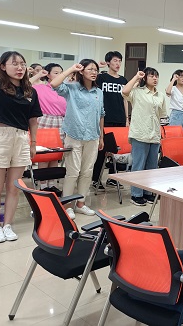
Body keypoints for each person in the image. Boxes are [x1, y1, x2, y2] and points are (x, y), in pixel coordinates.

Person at [0, 52, 42, 243]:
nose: (20, 68)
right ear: (3, 67)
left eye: (22, 64)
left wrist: (33, 143)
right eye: (14, 64)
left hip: (21, 138)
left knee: (14, 187)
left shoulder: (30, 91)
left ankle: (7, 225)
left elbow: (33, 119)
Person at [51, 60, 104, 220]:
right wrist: (71, 69)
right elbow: (54, 84)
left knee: (87, 172)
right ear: (82, 71)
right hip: (74, 135)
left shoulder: (98, 92)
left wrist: (101, 136)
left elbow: (101, 114)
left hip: (93, 136)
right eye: (90, 69)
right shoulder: (71, 88)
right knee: (73, 172)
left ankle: (81, 204)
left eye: (96, 70)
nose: (94, 72)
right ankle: (67, 205)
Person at [123, 68, 167, 206]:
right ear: (145, 78)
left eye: (156, 76)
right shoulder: (137, 92)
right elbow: (125, 91)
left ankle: (148, 192)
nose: (155, 78)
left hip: (154, 135)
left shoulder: (160, 95)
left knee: (152, 166)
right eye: (152, 76)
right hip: (140, 134)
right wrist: (136, 77)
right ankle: (136, 194)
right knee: (138, 165)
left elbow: (162, 115)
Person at [91, 51, 128, 192]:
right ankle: (96, 179)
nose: (118, 64)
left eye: (119, 61)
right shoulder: (101, 78)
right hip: (104, 119)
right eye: (115, 61)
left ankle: (113, 178)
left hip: (119, 119)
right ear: (108, 62)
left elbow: (125, 100)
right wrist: (97, 66)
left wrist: (126, 119)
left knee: (117, 151)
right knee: (102, 150)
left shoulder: (123, 80)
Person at [33, 63, 67, 194]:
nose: (59, 75)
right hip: (45, 120)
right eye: (56, 73)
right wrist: (38, 75)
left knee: (55, 154)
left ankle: (52, 184)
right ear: (48, 75)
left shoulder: (65, 89)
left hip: (61, 121)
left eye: (61, 72)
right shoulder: (41, 87)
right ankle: (43, 185)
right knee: (44, 155)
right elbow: (25, 85)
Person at [166, 69, 183, 137]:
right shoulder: (173, 88)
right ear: (177, 77)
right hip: (176, 114)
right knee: (174, 136)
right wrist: (173, 79)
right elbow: (168, 92)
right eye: (181, 76)